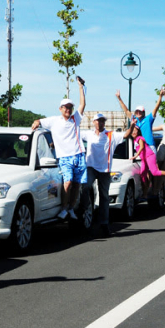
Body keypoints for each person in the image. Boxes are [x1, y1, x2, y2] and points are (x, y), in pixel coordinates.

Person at [32, 77, 87, 220]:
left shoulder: (75, 119)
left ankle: (71, 208)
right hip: (64, 157)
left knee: (77, 184)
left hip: (79, 155)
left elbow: (82, 104)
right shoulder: (53, 121)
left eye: (70, 107)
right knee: (67, 182)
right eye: (66, 107)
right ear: (60, 109)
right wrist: (35, 122)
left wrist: (80, 87)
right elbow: (39, 121)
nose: (68, 109)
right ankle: (63, 208)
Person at [80, 113, 132, 236]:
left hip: (104, 169)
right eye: (98, 121)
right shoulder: (88, 134)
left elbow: (125, 134)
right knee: (85, 187)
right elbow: (73, 134)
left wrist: (132, 126)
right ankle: (86, 207)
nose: (100, 123)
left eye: (102, 121)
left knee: (104, 196)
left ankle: (104, 223)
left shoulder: (111, 135)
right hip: (91, 167)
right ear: (93, 122)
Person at [128, 123, 165, 201]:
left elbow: (142, 147)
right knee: (143, 173)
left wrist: (135, 156)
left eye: (135, 131)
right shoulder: (133, 140)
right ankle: (145, 193)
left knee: (155, 172)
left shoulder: (140, 138)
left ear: (138, 132)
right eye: (132, 131)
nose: (133, 132)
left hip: (149, 156)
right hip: (143, 158)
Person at [115, 88, 165, 154]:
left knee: (151, 164)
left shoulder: (148, 119)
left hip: (149, 145)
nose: (138, 113)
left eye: (140, 112)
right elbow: (126, 111)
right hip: (139, 147)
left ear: (143, 112)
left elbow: (156, 108)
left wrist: (160, 96)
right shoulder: (134, 119)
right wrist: (119, 98)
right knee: (141, 164)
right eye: (137, 111)